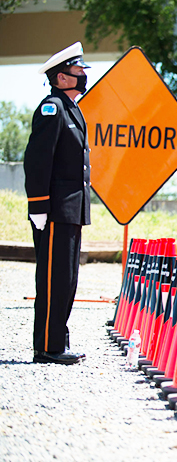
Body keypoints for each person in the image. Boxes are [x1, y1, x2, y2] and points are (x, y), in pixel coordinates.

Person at [24, 42, 92, 364]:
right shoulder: (51, 108)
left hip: (71, 211)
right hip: (52, 211)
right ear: (61, 78)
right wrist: (37, 205)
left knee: (66, 280)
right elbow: (38, 161)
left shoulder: (72, 110)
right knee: (53, 280)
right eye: (77, 72)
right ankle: (48, 348)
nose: (83, 76)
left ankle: (57, 342)